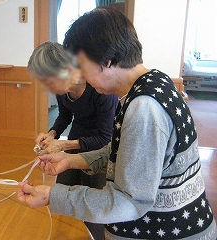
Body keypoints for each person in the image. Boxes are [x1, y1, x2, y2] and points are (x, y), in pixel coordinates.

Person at [18, 7, 217, 240]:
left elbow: (129, 201)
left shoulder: (144, 108)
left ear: (107, 60)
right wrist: (70, 160)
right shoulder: (152, 82)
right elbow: (123, 151)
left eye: (81, 66)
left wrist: (53, 196)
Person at [28, 41, 118, 239]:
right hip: (77, 138)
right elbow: (64, 116)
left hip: (99, 149)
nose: (47, 86)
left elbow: (104, 137)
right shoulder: (64, 91)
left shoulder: (99, 89)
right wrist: (51, 134)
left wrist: (62, 144)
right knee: (64, 191)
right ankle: (69, 233)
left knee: (93, 201)